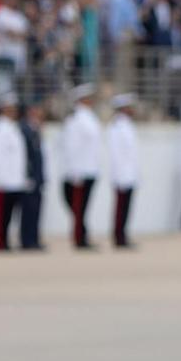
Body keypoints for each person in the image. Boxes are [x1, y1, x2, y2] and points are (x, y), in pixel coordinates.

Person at [61, 83, 103, 250]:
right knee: (79, 207)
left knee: (83, 207)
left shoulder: (89, 118)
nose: (90, 100)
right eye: (87, 98)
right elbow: (72, 147)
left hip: (90, 168)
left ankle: (82, 235)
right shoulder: (75, 120)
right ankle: (79, 237)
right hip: (80, 171)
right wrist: (75, 171)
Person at [0, 95, 28, 251]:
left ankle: (6, 240)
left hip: (15, 179)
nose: (13, 112)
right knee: (2, 214)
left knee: (10, 215)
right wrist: (1, 178)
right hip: (4, 180)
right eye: (10, 109)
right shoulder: (0, 128)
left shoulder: (12, 127)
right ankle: (1, 241)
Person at [107, 93, 140, 249]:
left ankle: (122, 235)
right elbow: (116, 153)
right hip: (122, 174)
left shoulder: (126, 125)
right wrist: (120, 175)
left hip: (129, 173)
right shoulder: (117, 126)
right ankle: (119, 237)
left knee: (125, 207)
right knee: (120, 207)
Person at [19, 103, 47, 251]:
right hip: (30, 177)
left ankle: (34, 238)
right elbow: (25, 156)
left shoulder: (36, 128)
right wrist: (28, 175)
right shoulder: (24, 129)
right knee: (28, 210)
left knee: (36, 210)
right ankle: (27, 240)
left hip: (38, 177)